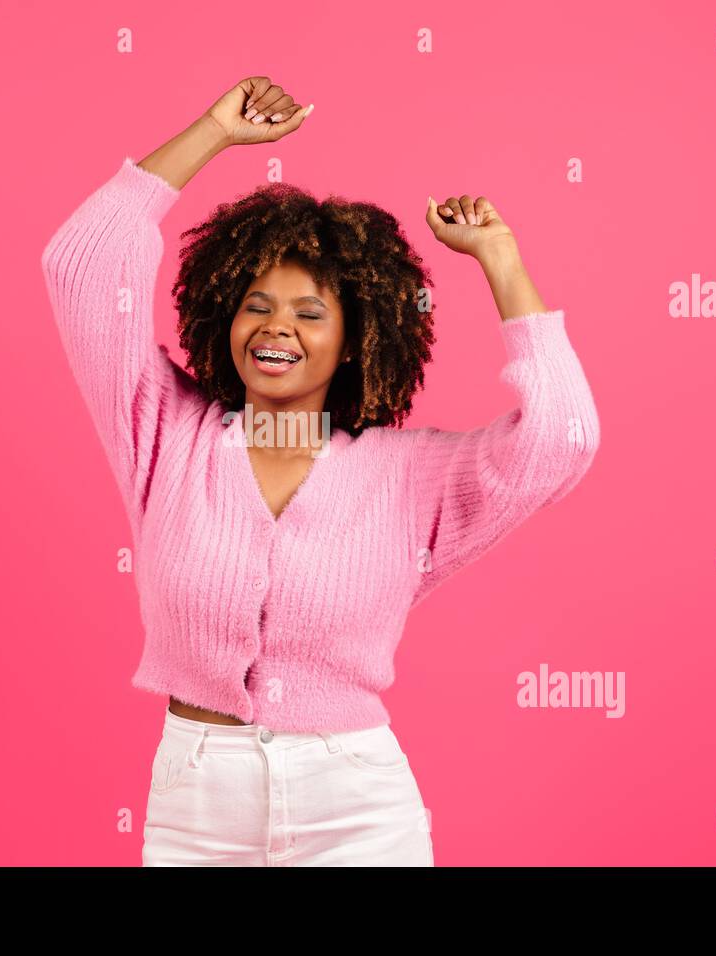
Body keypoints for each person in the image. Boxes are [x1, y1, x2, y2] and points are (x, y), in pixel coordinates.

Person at [40, 76, 601, 866]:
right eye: (257, 305)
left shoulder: (410, 478)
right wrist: (212, 132)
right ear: (221, 314)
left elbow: (564, 437)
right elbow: (78, 267)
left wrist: (500, 260)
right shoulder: (165, 434)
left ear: (356, 339)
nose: (276, 329)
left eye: (310, 313)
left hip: (356, 809)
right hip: (196, 807)